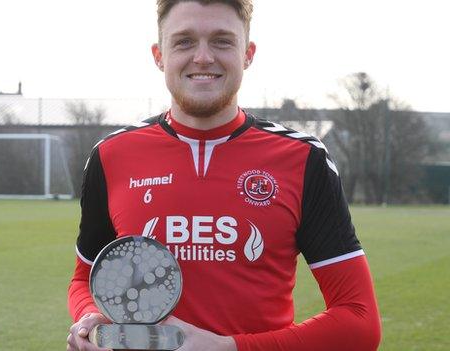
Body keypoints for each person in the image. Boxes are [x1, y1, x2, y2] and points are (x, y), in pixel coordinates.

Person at [67, 1, 382, 350]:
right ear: (159, 55)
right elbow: (85, 277)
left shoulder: (303, 158)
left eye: (222, 41)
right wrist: (88, 315)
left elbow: (359, 321)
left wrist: (228, 347)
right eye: (184, 42)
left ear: (248, 53)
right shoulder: (112, 156)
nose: (203, 57)